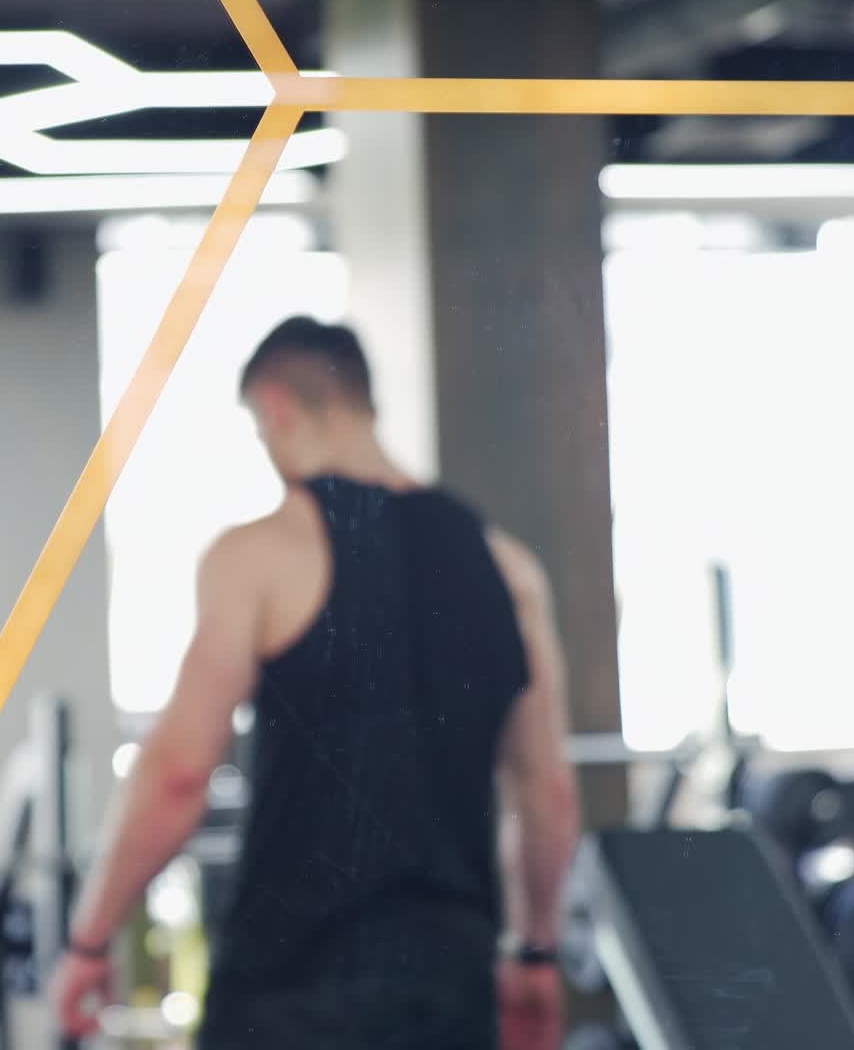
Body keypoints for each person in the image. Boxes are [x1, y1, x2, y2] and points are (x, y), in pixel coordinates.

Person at [53, 316, 580, 1050]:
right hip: (448, 987)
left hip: (290, 989)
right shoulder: (510, 569)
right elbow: (545, 791)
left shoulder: (258, 556)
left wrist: (89, 941)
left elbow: (177, 774)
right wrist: (537, 955)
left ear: (275, 407)